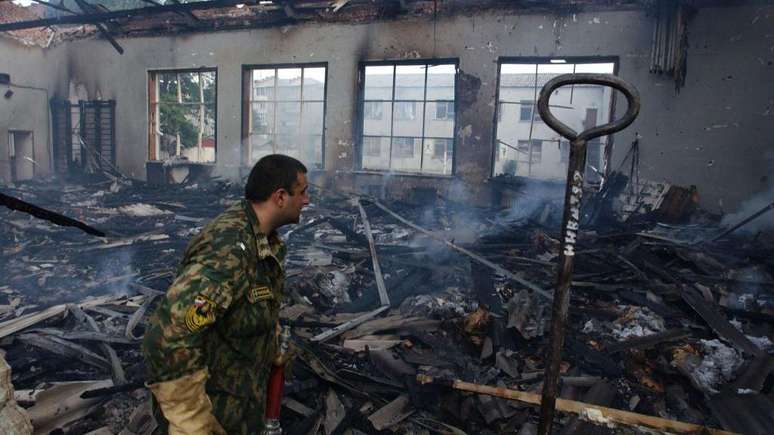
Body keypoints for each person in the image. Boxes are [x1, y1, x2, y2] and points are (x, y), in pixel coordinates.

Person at [142, 154, 309, 434]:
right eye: (302, 192)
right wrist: (190, 420)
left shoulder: (264, 241)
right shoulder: (228, 250)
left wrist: (271, 341)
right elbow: (167, 336)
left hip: (241, 407)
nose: (306, 200)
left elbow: (241, 308)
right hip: (214, 413)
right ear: (280, 197)